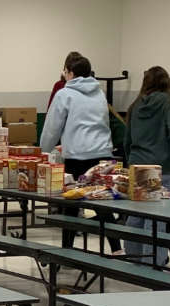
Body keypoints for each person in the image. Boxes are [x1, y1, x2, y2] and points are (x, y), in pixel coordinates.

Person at [40, 55, 121, 254]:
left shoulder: (64, 94)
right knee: (103, 202)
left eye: (65, 71)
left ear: (71, 73)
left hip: (77, 156)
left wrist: (44, 150)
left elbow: (53, 127)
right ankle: (117, 249)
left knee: (71, 204)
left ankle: (67, 249)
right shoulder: (99, 93)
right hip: (103, 154)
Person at [122, 67, 170, 266]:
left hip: (138, 163)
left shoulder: (135, 105)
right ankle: (154, 264)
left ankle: (134, 258)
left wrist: (130, 161)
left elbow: (127, 138)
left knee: (136, 215)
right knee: (157, 219)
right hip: (162, 167)